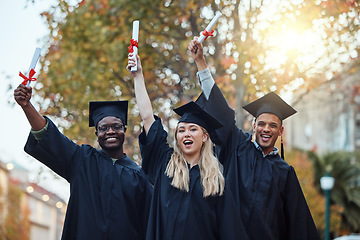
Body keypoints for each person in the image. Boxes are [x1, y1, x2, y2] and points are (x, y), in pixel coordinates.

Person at [188, 37, 321, 240]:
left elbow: (298, 223)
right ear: (254, 126)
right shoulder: (237, 147)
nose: (266, 129)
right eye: (261, 123)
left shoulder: (285, 173)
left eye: (273, 125)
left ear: (281, 131)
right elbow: (221, 113)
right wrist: (201, 63)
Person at [127, 53, 248, 240]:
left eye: (193, 129)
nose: (187, 134)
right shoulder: (165, 163)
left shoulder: (215, 181)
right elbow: (147, 117)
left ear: (205, 137)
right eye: (181, 130)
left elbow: (230, 231)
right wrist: (138, 76)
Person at [14, 84, 153, 240]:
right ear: (97, 133)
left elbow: (151, 224)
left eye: (116, 126)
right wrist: (27, 106)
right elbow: (49, 136)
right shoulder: (82, 160)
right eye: (104, 128)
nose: (111, 132)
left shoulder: (139, 177)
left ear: (124, 130)